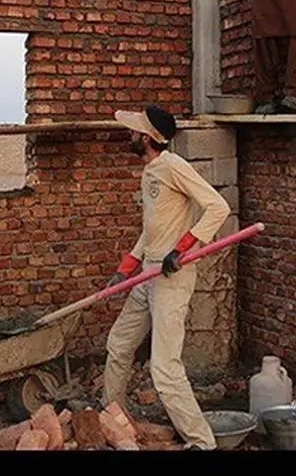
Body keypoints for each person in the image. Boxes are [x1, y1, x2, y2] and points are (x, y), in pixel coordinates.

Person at [103, 105, 232, 451]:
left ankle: (202, 442)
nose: (128, 136)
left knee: (165, 369)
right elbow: (151, 231)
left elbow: (218, 206)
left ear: (146, 138)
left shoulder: (174, 166)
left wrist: (185, 246)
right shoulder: (151, 171)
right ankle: (111, 419)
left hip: (171, 277)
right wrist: (125, 269)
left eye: (133, 132)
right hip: (148, 273)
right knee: (118, 344)